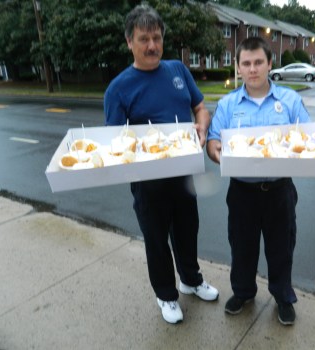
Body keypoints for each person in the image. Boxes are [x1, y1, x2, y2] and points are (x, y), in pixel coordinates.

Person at [104, 5, 218, 324]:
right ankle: (166, 295)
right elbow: (116, 140)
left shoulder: (178, 71)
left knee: (187, 231)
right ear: (130, 42)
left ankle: (190, 280)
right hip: (148, 179)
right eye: (144, 39)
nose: (152, 45)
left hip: (185, 172)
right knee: (156, 238)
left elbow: (200, 107)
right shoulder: (118, 88)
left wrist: (202, 126)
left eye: (156, 37)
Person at [206, 36, 310, 326]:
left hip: (280, 190)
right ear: (238, 68)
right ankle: (243, 292)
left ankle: (283, 297)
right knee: (242, 246)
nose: (252, 69)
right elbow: (214, 142)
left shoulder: (290, 100)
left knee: (281, 247)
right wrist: (217, 153)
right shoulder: (227, 105)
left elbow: (307, 136)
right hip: (242, 191)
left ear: (269, 64)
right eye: (246, 63)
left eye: (258, 62)